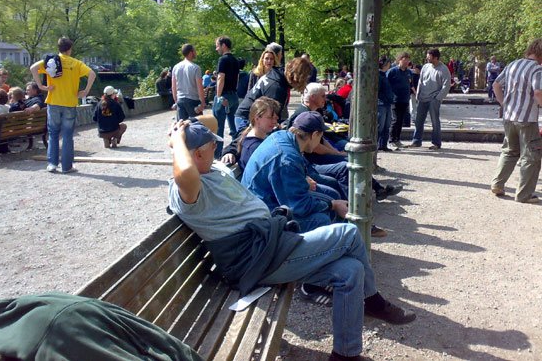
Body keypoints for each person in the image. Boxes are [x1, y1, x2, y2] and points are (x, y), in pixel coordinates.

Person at [168, 118, 415, 361]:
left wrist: (184, 130)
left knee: (351, 271)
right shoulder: (189, 192)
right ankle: (373, 301)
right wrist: (178, 140)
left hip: (272, 245)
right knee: (348, 234)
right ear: (195, 154)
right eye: (212, 145)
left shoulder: (211, 169)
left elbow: (210, 122)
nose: (217, 147)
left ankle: (345, 355)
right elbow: (186, 172)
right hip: (256, 259)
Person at [30, 37, 96, 174]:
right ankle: (67, 167)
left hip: (53, 101)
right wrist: (85, 91)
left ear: (59, 48)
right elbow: (92, 74)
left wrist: (41, 86)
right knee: (67, 135)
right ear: (70, 49)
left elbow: (33, 68)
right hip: (70, 102)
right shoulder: (76, 63)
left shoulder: (51, 61)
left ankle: (52, 164)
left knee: (53, 133)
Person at [490, 39, 542, 203]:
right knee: (531, 156)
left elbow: (496, 85)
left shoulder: (513, 64)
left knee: (509, 151)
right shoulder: (537, 69)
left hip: (509, 117)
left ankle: (497, 184)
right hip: (527, 119)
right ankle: (524, 194)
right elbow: (538, 92)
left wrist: (504, 104)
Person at [235, 57, 311, 132]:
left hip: (247, 114)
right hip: (247, 119)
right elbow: (270, 117)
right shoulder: (276, 88)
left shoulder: (276, 75)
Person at [409, 49, 451, 150]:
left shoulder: (444, 69)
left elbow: (446, 85)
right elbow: (421, 81)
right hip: (422, 98)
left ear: (436, 57)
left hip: (434, 99)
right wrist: (418, 94)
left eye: (429, 56)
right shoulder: (425, 67)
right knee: (418, 121)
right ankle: (416, 141)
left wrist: (438, 98)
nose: (427, 58)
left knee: (435, 122)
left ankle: (436, 143)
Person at [212, 36, 240, 158]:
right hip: (234, 96)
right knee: (234, 127)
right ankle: (237, 151)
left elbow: (220, 77)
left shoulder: (223, 59)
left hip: (224, 96)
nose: (216, 49)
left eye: (217, 46)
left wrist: (218, 96)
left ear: (223, 45)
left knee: (218, 127)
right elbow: (237, 78)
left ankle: (217, 155)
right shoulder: (235, 60)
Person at [237, 97, 281, 171]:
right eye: (270, 117)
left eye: (276, 118)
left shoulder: (260, 139)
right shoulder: (253, 147)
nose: (274, 122)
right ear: (257, 118)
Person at [171, 44, 205, 121]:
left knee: (182, 125)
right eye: (194, 51)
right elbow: (199, 87)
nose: (196, 52)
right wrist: (202, 103)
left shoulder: (176, 67)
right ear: (190, 53)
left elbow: (173, 86)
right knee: (197, 126)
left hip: (180, 100)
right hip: (193, 101)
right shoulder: (195, 68)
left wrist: (176, 101)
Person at [387, 52, 412, 149]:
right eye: (404, 60)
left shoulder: (409, 72)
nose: (406, 62)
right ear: (400, 60)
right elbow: (386, 83)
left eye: (408, 60)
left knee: (401, 121)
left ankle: (397, 139)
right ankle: (391, 140)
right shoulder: (392, 71)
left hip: (405, 100)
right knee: (395, 120)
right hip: (395, 100)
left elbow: (410, 84)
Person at [377, 56, 394, 152]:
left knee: (386, 125)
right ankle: (377, 144)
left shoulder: (384, 75)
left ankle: (383, 145)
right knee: (380, 126)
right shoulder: (379, 76)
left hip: (387, 103)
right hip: (381, 103)